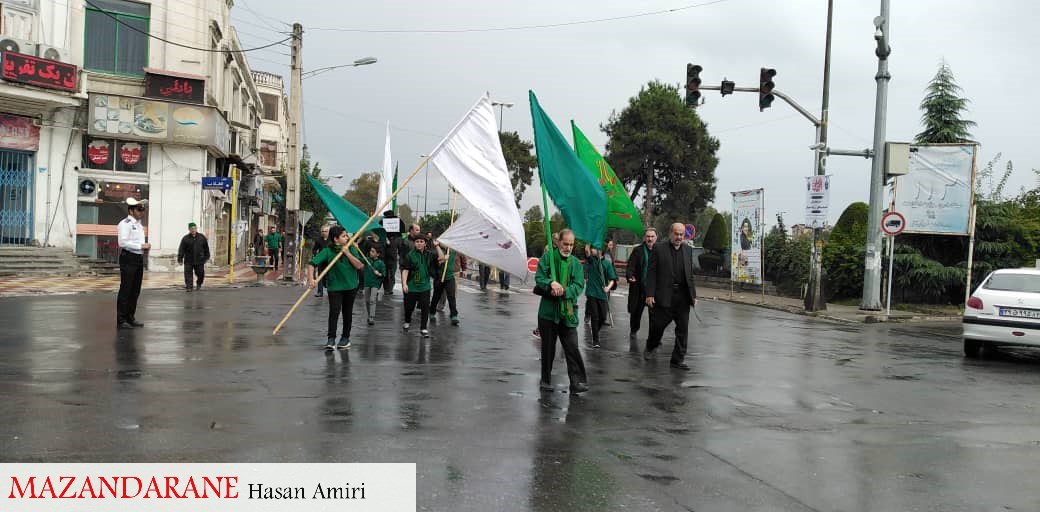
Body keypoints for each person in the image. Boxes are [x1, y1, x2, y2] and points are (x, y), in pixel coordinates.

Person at [535, 229, 588, 394]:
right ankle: (545, 379)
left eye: (572, 245)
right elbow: (539, 277)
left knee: (572, 348)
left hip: (568, 313)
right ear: (558, 243)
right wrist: (551, 283)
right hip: (548, 313)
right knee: (548, 349)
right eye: (566, 244)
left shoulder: (576, 264)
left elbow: (579, 285)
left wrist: (564, 291)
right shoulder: (547, 258)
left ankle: (577, 382)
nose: (569, 247)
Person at [644, 222, 698, 371]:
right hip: (664, 296)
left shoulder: (688, 250)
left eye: (682, 234)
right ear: (670, 234)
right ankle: (651, 345)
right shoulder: (659, 248)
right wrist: (649, 294)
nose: (679, 237)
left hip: (682, 297)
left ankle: (677, 359)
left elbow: (690, 276)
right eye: (676, 234)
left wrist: (693, 295)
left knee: (683, 329)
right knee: (658, 327)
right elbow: (651, 273)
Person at [307, 225, 364, 351]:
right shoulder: (328, 250)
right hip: (334, 287)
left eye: (346, 235)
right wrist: (311, 279)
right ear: (335, 239)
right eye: (344, 236)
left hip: (350, 286)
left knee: (347, 313)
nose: (346, 238)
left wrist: (347, 253)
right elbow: (312, 264)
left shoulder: (351, 248)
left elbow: (359, 266)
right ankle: (331, 339)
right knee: (334, 312)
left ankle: (345, 338)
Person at [116, 198, 150, 329]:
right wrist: (141, 245)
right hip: (128, 258)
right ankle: (121, 319)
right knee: (126, 289)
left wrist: (143, 248)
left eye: (143, 210)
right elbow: (122, 243)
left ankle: (130, 317)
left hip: (138, 258)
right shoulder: (125, 224)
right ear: (131, 210)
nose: (142, 212)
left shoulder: (139, 224)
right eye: (139, 210)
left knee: (135, 290)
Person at [626, 227, 658, 339]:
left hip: (654, 289)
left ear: (656, 238)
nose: (650, 239)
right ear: (645, 237)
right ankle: (634, 330)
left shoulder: (660, 251)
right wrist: (630, 275)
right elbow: (631, 266)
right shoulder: (638, 250)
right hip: (639, 287)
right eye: (648, 236)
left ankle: (654, 337)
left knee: (655, 316)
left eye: (652, 236)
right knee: (636, 313)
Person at [401, 235, 436, 338]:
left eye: (421, 241)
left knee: (425, 307)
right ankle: (407, 321)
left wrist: (439, 249)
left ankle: (423, 328)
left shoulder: (429, 254)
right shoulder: (410, 255)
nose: (419, 243)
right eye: (417, 241)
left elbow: (441, 258)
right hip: (412, 286)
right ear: (414, 243)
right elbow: (405, 270)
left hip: (425, 287)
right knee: (409, 308)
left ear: (425, 243)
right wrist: (404, 284)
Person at [585, 245, 617, 348]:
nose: (592, 250)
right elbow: (586, 250)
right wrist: (590, 240)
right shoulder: (592, 260)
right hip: (592, 292)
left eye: (594, 248)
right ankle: (596, 340)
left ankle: (595, 330)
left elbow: (612, 279)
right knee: (595, 316)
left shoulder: (607, 264)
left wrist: (608, 287)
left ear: (600, 251)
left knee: (603, 317)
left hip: (603, 293)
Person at [532, 231, 561, 339]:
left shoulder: (558, 250)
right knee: (547, 309)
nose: (558, 242)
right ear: (554, 240)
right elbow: (545, 265)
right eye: (556, 240)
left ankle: (553, 329)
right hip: (549, 281)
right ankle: (540, 329)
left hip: (556, 281)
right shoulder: (548, 249)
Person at [430, 240, 460, 326]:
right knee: (436, 296)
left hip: (450, 277)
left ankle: (454, 315)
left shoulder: (452, 250)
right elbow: (440, 260)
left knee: (451, 296)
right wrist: (439, 249)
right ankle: (432, 312)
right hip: (439, 278)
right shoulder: (435, 251)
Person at [177, 222, 210, 291]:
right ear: (189, 229)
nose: (193, 230)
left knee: (200, 273)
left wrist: (206, 257)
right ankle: (189, 287)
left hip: (199, 260)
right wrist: (180, 259)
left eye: (195, 228)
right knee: (188, 274)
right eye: (192, 228)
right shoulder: (185, 238)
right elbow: (181, 249)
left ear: (196, 229)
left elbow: (206, 248)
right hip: (188, 260)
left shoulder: (201, 237)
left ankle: (199, 283)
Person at [362, 245, 386, 326]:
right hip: (367, 283)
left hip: (375, 283)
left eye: (373, 251)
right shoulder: (367, 260)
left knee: (372, 300)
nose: (370, 252)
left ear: (378, 254)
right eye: (370, 251)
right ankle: (369, 315)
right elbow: (359, 259)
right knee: (367, 301)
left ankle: (372, 317)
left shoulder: (381, 263)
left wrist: (379, 274)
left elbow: (383, 274)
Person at [311, 225, 331, 297]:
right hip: (321, 261)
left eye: (325, 231)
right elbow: (314, 249)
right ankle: (320, 292)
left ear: (328, 232)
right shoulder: (318, 240)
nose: (324, 233)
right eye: (322, 231)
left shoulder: (331, 240)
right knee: (320, 276)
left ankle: (329, 290)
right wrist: (315, 255)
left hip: (330, 261)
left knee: (329, 276)